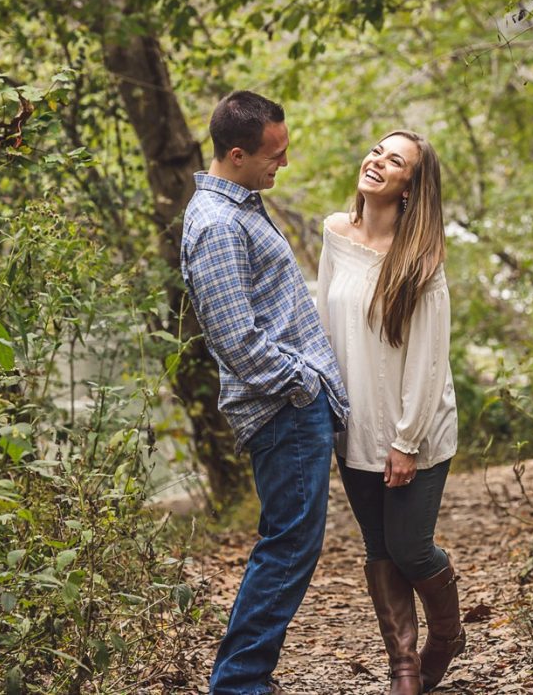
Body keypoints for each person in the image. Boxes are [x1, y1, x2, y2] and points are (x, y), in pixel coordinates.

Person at [182, 90, 350, 695]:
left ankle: (244, 679)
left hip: (291, 406)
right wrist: (302, 384)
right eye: (275, 154)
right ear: (237, 153)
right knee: (288, 546)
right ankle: (239, 684)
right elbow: (236, 339)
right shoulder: (218, 224)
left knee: (289, 543)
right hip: (282, 409)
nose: (284, 163)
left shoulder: (242, 205)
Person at [315, 131, 464, 694]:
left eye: (394, 160)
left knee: (410, 548)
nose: (377, 161)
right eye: (377, 150)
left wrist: (406, 441)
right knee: (379, 548)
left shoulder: (422, 261)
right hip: (354, 428)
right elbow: (322, 329)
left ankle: (445, 638)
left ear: (410, 187)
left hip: (415, 431)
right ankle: (403, 668)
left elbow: (429, 360)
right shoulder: (334, 233)